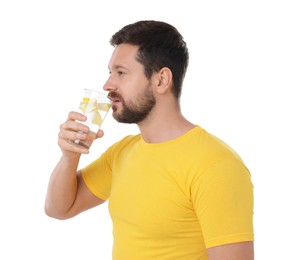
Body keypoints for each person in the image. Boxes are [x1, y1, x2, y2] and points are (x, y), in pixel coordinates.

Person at [45, 20, 254, 260]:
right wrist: (70, 156)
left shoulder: (216, 165)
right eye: (110, 72)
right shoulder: (123, 152)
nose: (107, 85)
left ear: (161, 80)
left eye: (121, 73)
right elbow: (59, 209)